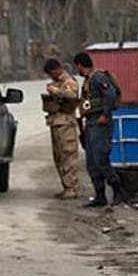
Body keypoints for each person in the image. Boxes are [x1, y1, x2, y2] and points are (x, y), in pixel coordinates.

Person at [74, 51, 127, 208]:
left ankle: (118, 191)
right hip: (91, 123)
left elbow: (110, 94)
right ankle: (100, 195)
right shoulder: (88, 81)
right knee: (91, 162)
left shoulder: (98, 77)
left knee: (100, 159)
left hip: (100, 123)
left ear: (79, 65)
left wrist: (105, 114)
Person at [41, 58, 81, 199]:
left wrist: (56, 91)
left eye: (51, 73)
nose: (50, 76)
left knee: (68, 155)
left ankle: (72, 188)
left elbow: (72, 95)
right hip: (56, 122)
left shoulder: (68, 81)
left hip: (66, 124)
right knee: (59, 157)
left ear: (57, 69)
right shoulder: (57, 82)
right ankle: (66, 186)